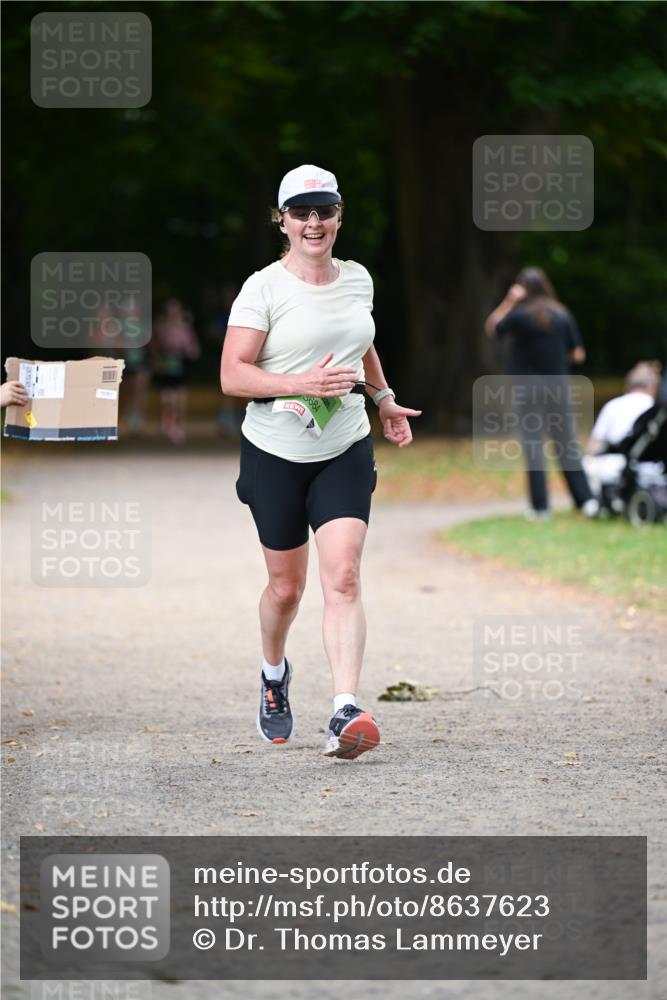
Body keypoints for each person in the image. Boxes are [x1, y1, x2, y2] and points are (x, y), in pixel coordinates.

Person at [220, 164, 421, 760]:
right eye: (302, 212)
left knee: (345, 576)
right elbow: (233, 375)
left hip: (344, 447)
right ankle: (274, 672)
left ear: (339, 216)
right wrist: (298, 381)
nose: (314, 222)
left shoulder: (358, 279)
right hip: (275, 453)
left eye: (324, 211)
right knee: (286, 588)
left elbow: (362, 341)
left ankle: (344, 710)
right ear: (281, 220)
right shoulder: (263, 288)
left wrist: (382, 399)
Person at [484, 267, 598, 520]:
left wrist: (510, 301)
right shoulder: (561, 313)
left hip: (528, 389)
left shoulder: (519, 315)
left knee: (533, 445)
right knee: (567, 444)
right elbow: (578, 353)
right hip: (558, 388)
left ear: (522, 288)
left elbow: (492, 327)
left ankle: (540, 507)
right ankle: (586, 500)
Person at [583, 361, 662, 500]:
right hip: (654, 468)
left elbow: (593, 446)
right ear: (653, 387)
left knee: (586, 463)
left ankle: (594, 503)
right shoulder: (658, 412)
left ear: (628, 385)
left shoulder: (613, 406)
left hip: (617, 465)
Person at [151, 299, 201, 445]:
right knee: (167, 398)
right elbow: (155, 346)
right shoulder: (161, 327)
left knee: (180, 398)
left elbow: (193, 349)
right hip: (166, 368)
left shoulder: (186, 327)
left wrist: (187, 351)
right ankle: (167, 425)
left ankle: (179, 426)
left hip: (181, 368)